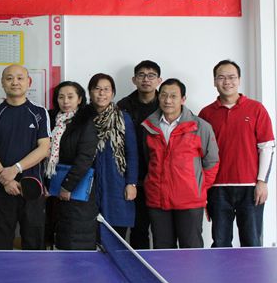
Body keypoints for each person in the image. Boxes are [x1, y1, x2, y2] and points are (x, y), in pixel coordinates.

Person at [199, 60, 275, 247]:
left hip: (250, 188)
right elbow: (200, 153)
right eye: (221, 77)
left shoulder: (256, 109)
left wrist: (262, 182)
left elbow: (266, 147)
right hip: (217, 188)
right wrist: (203, 188)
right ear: (214, 81)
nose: (227, 82)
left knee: (252, 242)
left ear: (239, 80)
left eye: (232, 77)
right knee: (220, 243)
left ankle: (253, 270)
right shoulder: (206, 114)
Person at [0, 64, 51, 250]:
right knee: (0, 246)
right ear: (2, 83)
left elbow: (44, 148)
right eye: (9, 78)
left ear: (29, 82)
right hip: (0, 190)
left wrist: (16, 169)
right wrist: (4, 178)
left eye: (20, 78)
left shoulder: (39, 112)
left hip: (32, 189)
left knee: (34, 246)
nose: (15, 82)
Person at [142, 78, 219, 249]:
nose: (168, 100)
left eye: (173, 96)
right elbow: (148, 160)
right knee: (162, 251)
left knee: (191, 251)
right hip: (158, 200)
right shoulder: (149, 126)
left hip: (190, 201)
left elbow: (212, 162)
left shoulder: (201, 127)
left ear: (183, 99)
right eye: (164, 95)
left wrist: (198, 187)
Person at [45, 81, 98, 250]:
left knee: (75, 236)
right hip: (52, 187)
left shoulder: (86, 123)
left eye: (70, 97)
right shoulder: (51, 121)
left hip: (75, 187)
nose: (65, 101)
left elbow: (85, 158)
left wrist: (67, 186)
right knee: (56, 235)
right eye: (61, 97)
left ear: (79, 99)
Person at [86, 73, 138, 238]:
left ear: (113, 93)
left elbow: (132, 153)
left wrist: (131, 183)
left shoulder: (123, 118)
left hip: (116, 182)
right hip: (87, 182)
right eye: (97, 89)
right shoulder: (82, 117)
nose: (102, 93)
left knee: (116, 232)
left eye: (106, 89)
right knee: (88, 231)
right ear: (90, 92)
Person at [117, 60, 162, 249]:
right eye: (141, 75)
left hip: (159, 175)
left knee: (160, 229)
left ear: (159, 80)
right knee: (135, 226)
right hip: (130, 176)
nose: (146, 79)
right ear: (134, 79)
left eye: (151, 75)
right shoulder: (123, 105)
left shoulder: (165, 104)